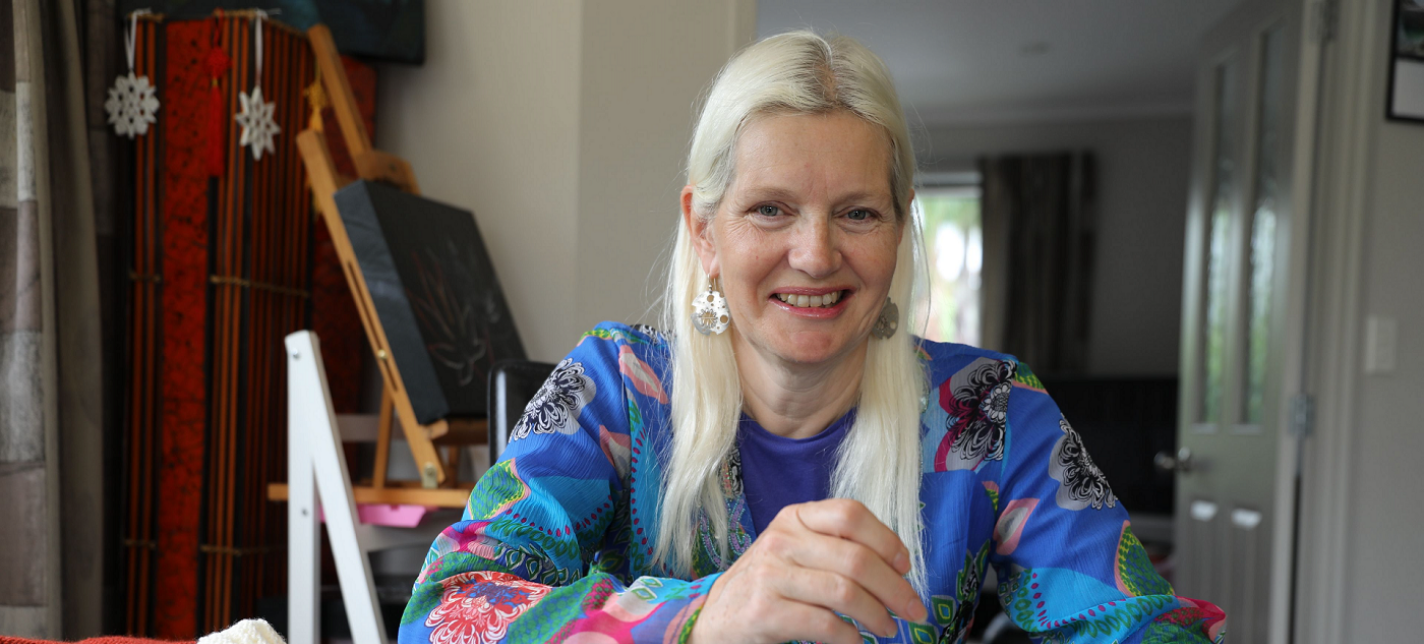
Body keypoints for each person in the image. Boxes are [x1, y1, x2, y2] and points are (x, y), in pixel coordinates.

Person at [398, 31, 1226, 644]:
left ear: (900, 229)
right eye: (771, 209)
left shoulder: (990, 413)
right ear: (705, 230)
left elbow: (1144, 625)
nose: (816, 254)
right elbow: (445, 613)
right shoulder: (613, 385)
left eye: (858, 213)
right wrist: (702, 617)